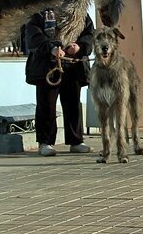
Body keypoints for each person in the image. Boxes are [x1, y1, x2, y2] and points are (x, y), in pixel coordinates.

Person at [25, 8, 94, 156]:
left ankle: (76, 141)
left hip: (73, 64)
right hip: (47, 65)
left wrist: (79, 46)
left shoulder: (78, 10)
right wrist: (51, 48)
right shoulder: (40, 11)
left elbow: (89, 32)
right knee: (46, 105)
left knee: (73, 104)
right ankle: (45, 143)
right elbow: (33, 34)